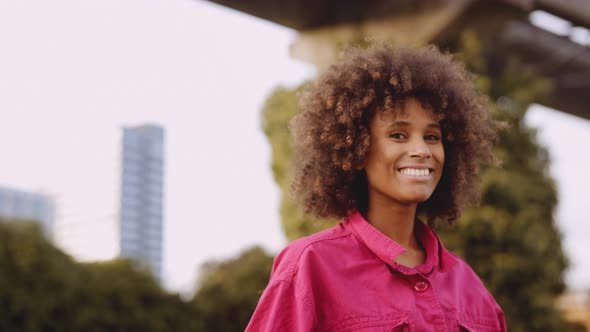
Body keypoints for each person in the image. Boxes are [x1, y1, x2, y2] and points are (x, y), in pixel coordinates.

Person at [246, 45, 507, 331]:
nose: (421, 150)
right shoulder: (310, 266)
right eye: (398, 135)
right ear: (356, 150)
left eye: (432, 136)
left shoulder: (470, 288)